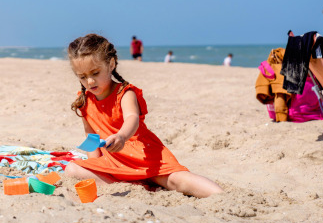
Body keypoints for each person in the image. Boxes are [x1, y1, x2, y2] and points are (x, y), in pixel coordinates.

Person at [64, 33, 222, 198]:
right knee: (72, 169)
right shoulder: (84, 101)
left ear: (110, 64)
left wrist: (122, 136)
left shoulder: (124, 93)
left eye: (95, 73)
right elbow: (91, 135)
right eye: (82, 77)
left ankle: (220, 196)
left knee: (176, 180)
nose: (89, 81)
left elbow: (132, 119)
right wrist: (94, 163)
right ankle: (133, 187)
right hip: (115, 162)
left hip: (144, 156)